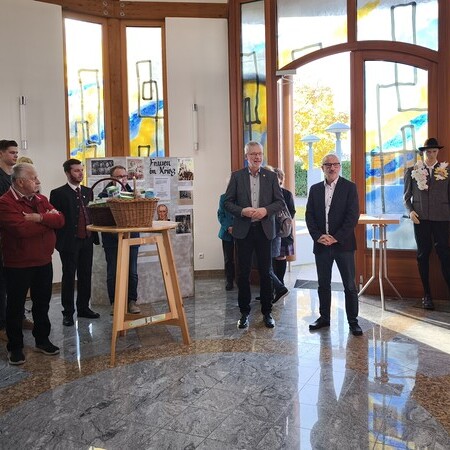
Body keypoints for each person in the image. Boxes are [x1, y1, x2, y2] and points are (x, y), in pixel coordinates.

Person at [0, 163, 64, 365]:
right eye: (33, 178)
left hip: (43, 260)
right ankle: (15, 347)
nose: (38, 181)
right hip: (18, 263)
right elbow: (21, 230)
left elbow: (60, 220)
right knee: (15, 307)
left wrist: (38, 218)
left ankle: (42, 340)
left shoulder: (41, 199)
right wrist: (47, 223)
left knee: (42, 304)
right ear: (20, 182)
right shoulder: (5, 202)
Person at [224, 141, 284, 329]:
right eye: (253, 154)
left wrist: (265, 210)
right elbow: (227, 202)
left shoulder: (271, 176)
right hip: (244, 231)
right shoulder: (237, 176)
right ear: (246, 156)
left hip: (264, 231)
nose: (257, 157)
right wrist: (242, 211)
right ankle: (244, 313)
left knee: (266, 272)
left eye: (260, 154)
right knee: (243, 273)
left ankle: (267, 312)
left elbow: (280, 203)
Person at [305, 153, 362, 336]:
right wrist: (318, 236)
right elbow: (309, 215)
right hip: (322, 244)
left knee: (349, 285)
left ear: (339, 167)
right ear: (322, 168)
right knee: (323, 284)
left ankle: (353, 321)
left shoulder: (349, 187)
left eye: (335, 164)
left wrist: (336, 237)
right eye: (328, 165)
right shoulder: (314, 189)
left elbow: (352, 216)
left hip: (343, 244)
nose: (332, 168)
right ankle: (324, 318)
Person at [50, 158, 100, 326]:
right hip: (69, 242)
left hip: (87, 239)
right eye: (76, 170)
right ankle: (68, 312)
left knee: (85, 274)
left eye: (81, 170)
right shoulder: (58, 193)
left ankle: (84, 308)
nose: (80, 173)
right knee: (69, 277)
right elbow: (55, 219)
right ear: (67, 173)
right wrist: (58, 241)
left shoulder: (88, 191)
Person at [403, 137, 450, 310]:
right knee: (423, 255)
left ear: (438, 152)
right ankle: (427, 295)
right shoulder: (412, 171)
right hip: (420, 219)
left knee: (444, 255)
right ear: (423, 152)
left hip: (442, 219)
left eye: (434, 151)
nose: (431, 154)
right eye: (428, 151)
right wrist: (410, 211)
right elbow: (406, 197)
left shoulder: (447, 170)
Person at [99, 165, 140, 314]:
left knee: (132, 271)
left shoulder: (133, 192)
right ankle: (115, 303)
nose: (122, 179)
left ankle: (131, 301)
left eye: (124, 176)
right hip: (111, 239)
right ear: (112, 178)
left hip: (131, 237)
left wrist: (138, 198)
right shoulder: (103, 194)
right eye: (118, 176)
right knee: (113, 272)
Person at [217, 187, 235, 290]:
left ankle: (241, 280)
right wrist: (228, 227)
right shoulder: (223, 198)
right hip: (226, 233)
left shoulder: (242, 197)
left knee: (242, 258)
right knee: (228, 259)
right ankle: (229, 281)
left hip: (241, 232)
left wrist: (236, 227)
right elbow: (220, 214)